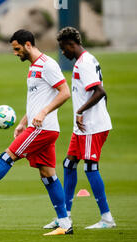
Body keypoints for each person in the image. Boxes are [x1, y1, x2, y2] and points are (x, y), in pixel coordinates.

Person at [0, 29, 72, 236]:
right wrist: (23, 122)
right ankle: (65, 223)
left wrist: (43, 113)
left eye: (17, 48)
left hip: (42, 128)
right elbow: (37, 101)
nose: (15, 53)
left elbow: (65, 92)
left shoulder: (47, 65)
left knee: (7, 156)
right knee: (48, 175)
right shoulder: (33, 68)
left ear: (28, 44)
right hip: (39, 127)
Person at [46, 26, 116, 229]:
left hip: (91, 126)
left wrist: (81, 112)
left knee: (90, 167)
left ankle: (107, 218)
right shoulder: (86, 60)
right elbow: (103, 94)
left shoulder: (84, 63)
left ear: (71, 44)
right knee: (69, 164)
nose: (62, 52)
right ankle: (64, 216)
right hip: (85, 127)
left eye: (63, 48)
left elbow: (100, 91)